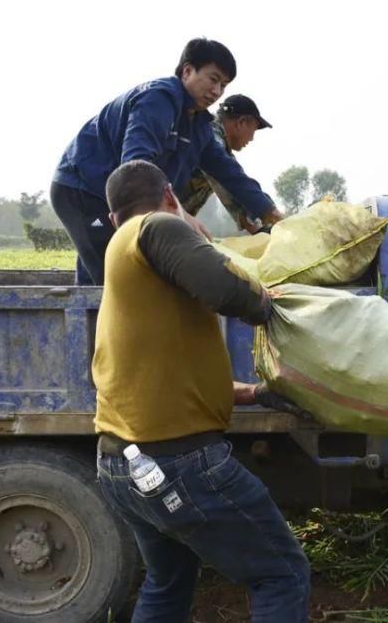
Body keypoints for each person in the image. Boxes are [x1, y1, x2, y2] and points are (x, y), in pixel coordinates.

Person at [92, 160, 309, 622]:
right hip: (180, 464)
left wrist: (249, 393)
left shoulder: (121, 249)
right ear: (171, 196)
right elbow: (233, 295)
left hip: (119, 464)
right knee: (281, 574)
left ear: (112, 216)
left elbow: (159, 375)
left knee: (168, 583)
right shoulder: (157, 225)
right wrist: (267, 298)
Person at [51, 37, 283, 285]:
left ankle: (83, 321)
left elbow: (230, 174)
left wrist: (272, 214)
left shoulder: (199, 127)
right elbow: (135, 168)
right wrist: (178, 211)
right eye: (213, 79)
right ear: (187, 71)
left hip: (118, 201)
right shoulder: (157, 100)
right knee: (117, 277)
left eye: (224, 85)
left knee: (107, 271)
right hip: (84, 190)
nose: (217, 92)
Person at [179, 94, 276, 233]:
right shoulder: (209, 137)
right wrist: (264, 221)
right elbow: (228, 180)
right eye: (253, 130)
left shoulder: (219, 146)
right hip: (150, 211)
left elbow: (240, 181)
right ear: (241, 122)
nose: (252, 138)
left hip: (164, 215)